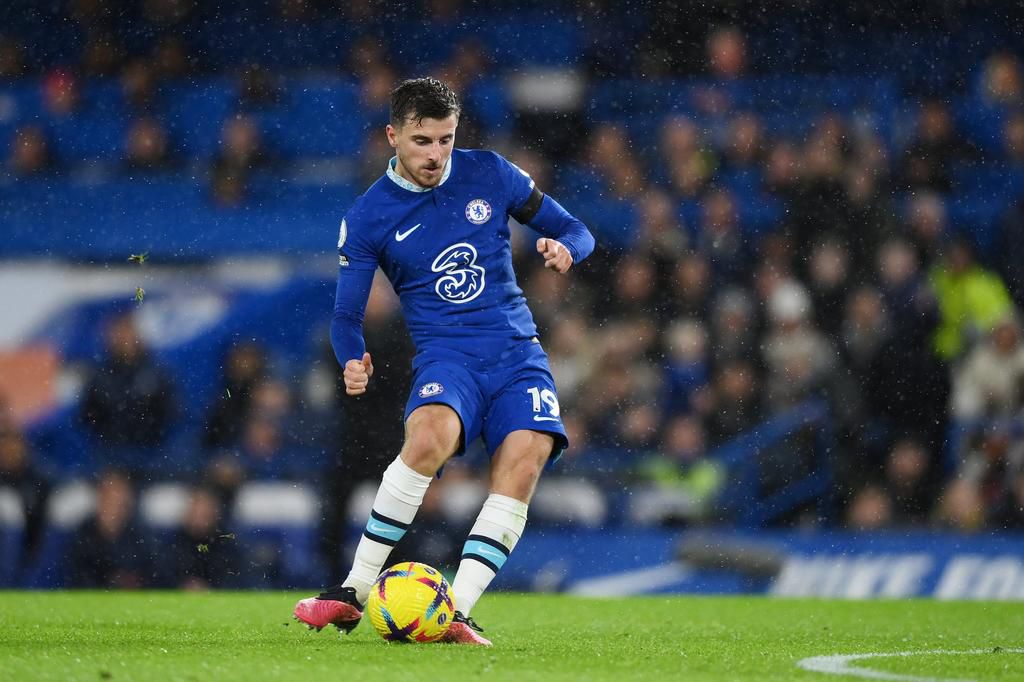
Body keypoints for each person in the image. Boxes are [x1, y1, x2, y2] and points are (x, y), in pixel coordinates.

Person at [293, 77, 595, 646]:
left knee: (524, 462)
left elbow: (577, 229)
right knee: (428, 438)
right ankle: (353, 591)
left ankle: (455, 610)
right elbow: (345, 319)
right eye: (422, 141)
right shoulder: (368, 216)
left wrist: (565, 249)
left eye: (446, 140)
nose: (435, 155)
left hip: (516, 352)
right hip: (446, 356)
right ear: (393, 136)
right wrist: (350, 359)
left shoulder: (492, 173)